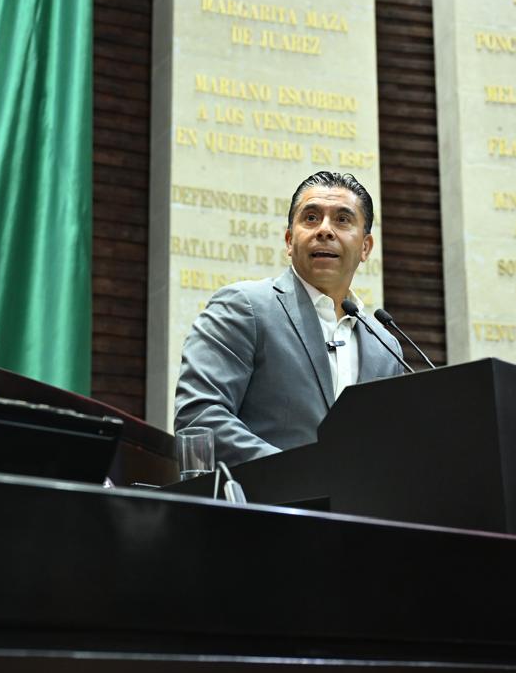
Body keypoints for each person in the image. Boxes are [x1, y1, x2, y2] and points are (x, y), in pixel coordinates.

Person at [173, 171, 405, 466]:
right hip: (261, 495)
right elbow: (200, 418)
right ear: (289, 240)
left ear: (365, 247)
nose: (325, 230)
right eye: (311, 218)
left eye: (342, 219)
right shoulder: (245, 307)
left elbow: (391, 447)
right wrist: (299, 474)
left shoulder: (384, 347)